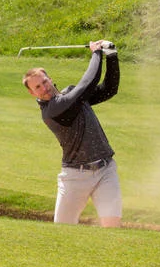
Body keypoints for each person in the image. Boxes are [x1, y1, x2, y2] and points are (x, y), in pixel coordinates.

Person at [23, 40, 122, 227]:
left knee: (112, 226)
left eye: (44, 82)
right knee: (62, 230)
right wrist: (96, 53)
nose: (44, 88)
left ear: (50, 79)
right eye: (37, 87)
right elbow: (86, 84)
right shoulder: (52, 111)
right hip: (75, 176)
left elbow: (109, 89)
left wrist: (111, 55)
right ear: (32, 93)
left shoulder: (71, 95)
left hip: (105, 169)